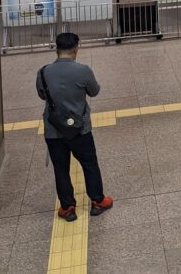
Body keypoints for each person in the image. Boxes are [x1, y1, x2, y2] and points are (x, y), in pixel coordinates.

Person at [36, 32, 113, 222]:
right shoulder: (83, 71)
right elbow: (94, 91)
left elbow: (42, 95)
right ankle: (98, 201)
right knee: (89, 164)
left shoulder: (43, 72)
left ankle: (67, 207)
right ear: (76, 49)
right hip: (80, 129)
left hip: (54, 130)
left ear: (57, 49)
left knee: (61, 168)